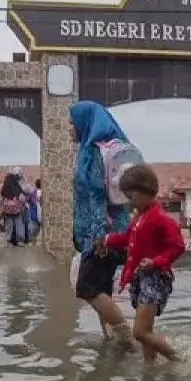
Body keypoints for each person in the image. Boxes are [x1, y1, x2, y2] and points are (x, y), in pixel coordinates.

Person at [98, 164, 184, 364]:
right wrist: (107, 239)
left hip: (155, 278)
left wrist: (156, 262)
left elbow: (178, 246)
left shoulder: (161, 219)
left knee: (140, 332)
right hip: (141, 277)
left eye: (132, 197)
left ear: (145, 191)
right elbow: (128, 238)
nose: (130, 202)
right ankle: (150, 367)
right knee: (146, 330)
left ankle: (180, 359)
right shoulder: (140, 216)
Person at [69, 100, 135, 344]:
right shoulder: (108, 148)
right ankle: (111, 340)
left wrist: (98, 237)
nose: (70, 128)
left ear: (84, 122)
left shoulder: (95, 151)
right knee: (101, 287)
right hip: (110, 231)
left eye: (72, 123)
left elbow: (97, 194)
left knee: (89, 288)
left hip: (103, 235)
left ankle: (128, 338)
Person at [1, 168, 28, 246]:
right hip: (16, 208)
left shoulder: (6, 183)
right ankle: (19, 240)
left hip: (7, 208)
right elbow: (21, 195)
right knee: (18, 222)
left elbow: (2, 193)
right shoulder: (16, 184)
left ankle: (8, 241)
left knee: (9, 223)